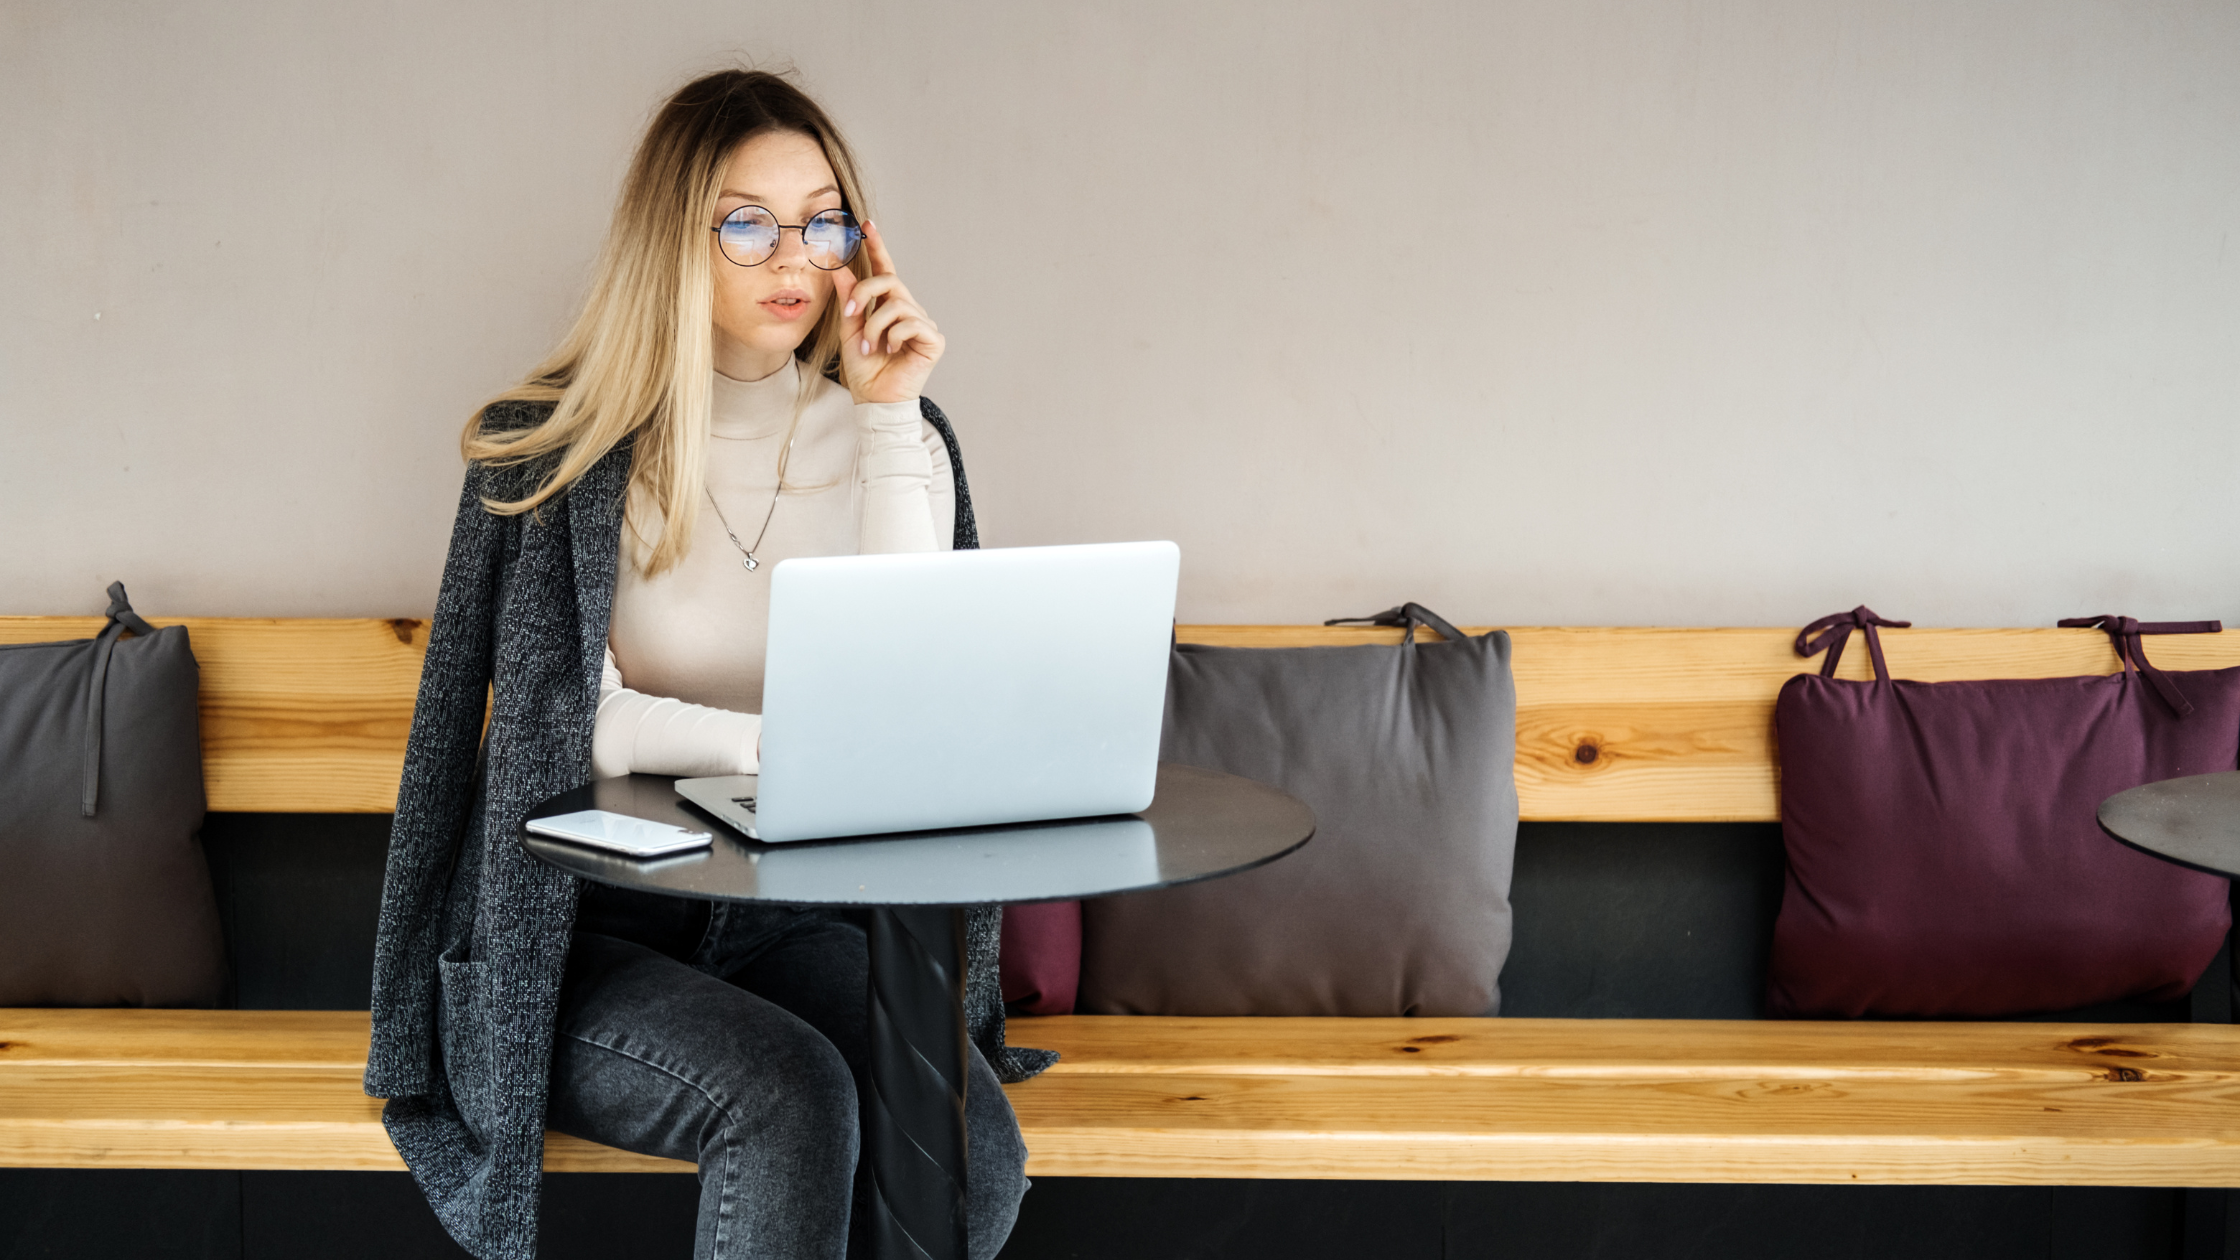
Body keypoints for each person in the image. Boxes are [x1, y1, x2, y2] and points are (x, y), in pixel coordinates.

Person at [364, 68, 1047, 1260]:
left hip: (787, 916)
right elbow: (570, 723)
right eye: (747, 223)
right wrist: (767, 747)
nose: (794, 255)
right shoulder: (561, 457)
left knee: (971, 1158)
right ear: (673, 242)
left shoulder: (903, 439)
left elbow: (905, 693)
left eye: (823, 218)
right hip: (584, 930)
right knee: (790, 1098)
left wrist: (887, 415)